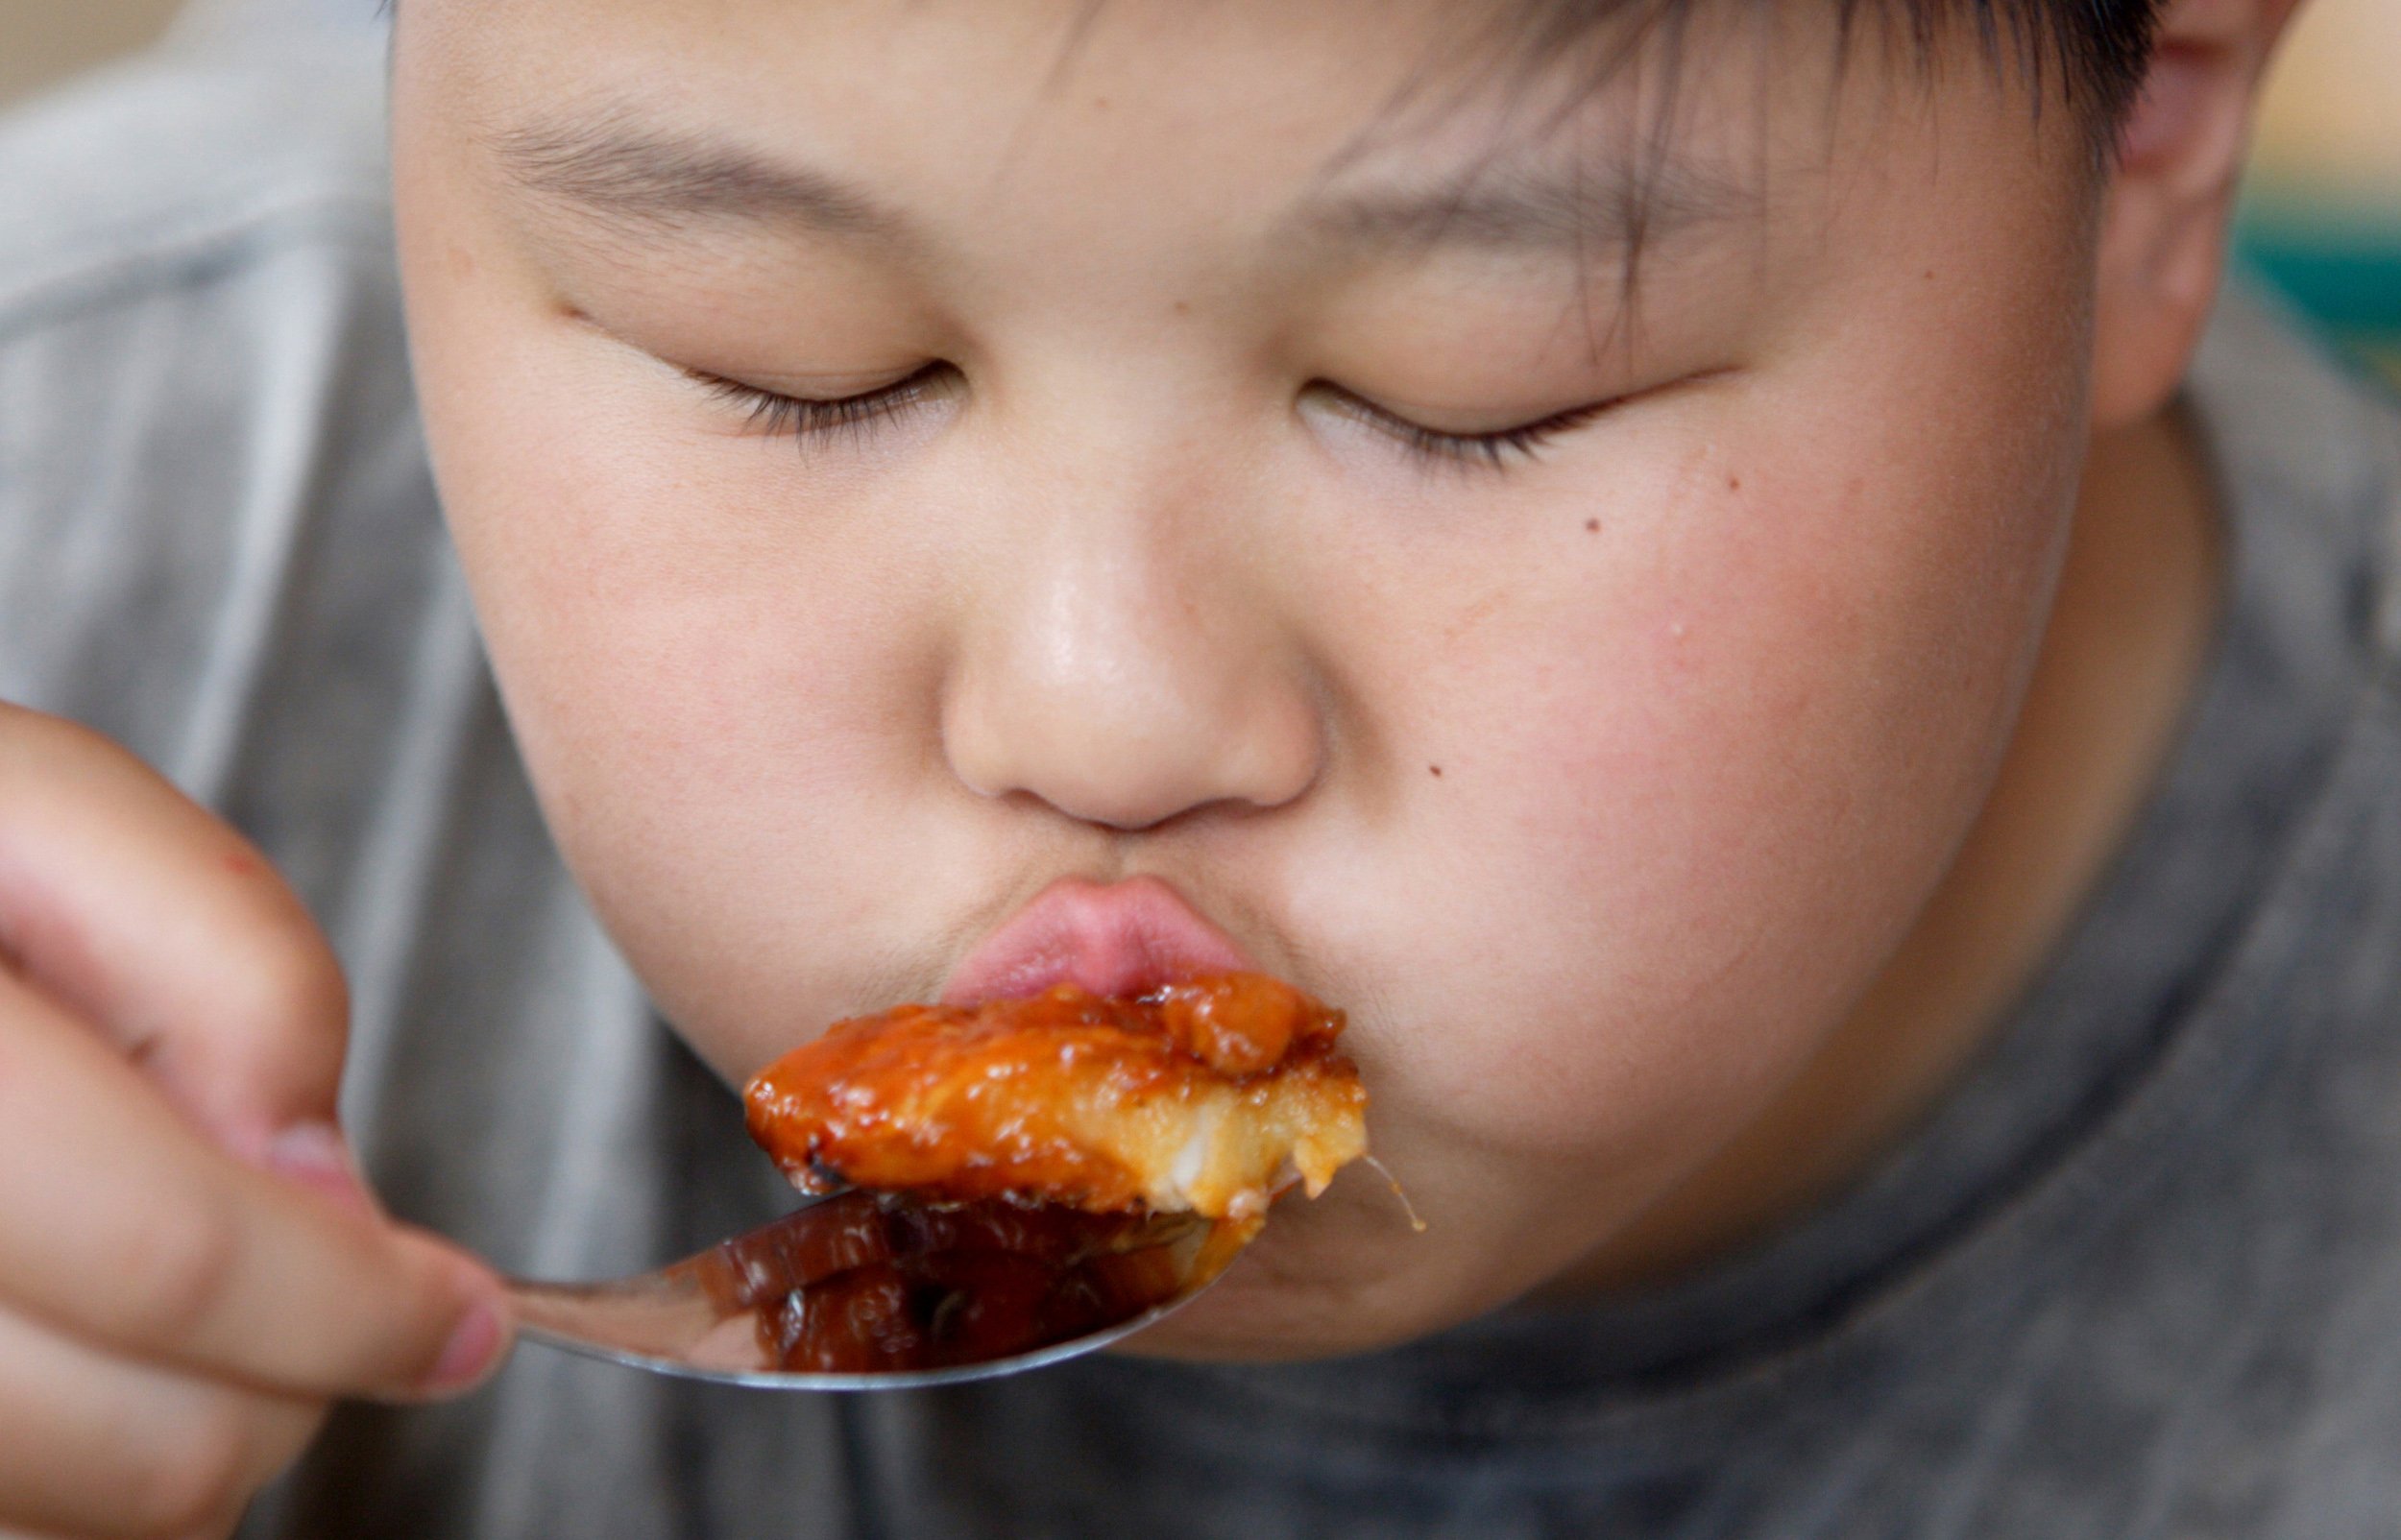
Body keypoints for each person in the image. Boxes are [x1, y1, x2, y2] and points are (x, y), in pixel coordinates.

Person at [1, 0, 2393, 1533]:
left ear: (2149, 140)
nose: (1098, 708)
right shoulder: (92, 500)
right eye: (794, 358)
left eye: (1476, 391)